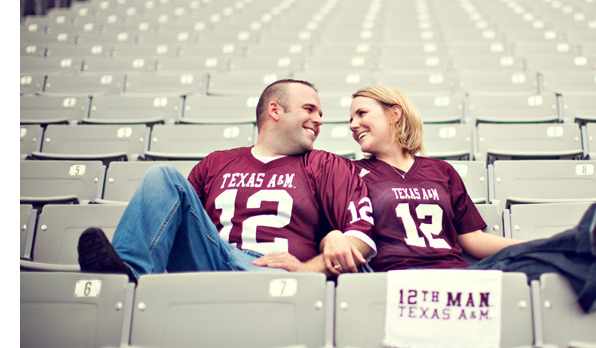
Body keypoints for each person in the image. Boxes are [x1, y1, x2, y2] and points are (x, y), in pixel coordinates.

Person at [346, 86, 596, 313]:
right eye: (350, 118)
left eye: (361, 113)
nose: (352, 124)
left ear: (394, 114)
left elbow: (473, 240)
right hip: (399, 282)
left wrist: (537, 246)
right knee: (547, 257)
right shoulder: (349, 173)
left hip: (466, 277)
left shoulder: (440, 171)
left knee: (532, 262)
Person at [77, 79, 375, 281]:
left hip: (274, 274)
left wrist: (307, 270)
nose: (320, 119)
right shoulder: (217, 163)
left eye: (320, 113)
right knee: (161, 176)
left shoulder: (324, 165)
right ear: (275, 110)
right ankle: (125, 279)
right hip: (212, 263)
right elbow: (179, 222)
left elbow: (360, 239)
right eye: (309, 109)